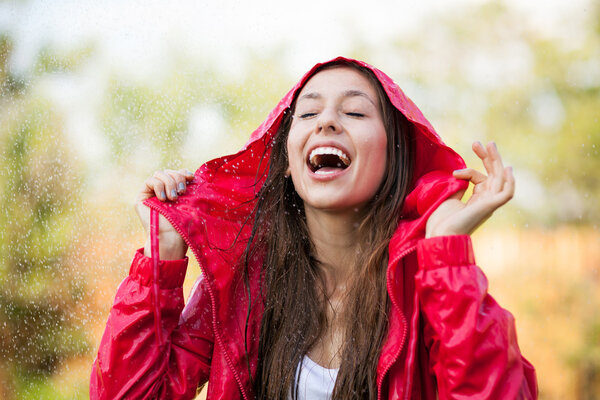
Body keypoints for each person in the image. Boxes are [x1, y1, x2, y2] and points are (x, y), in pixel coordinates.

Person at [90, 57, 538, 399]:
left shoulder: (429, 286)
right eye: (307, 114)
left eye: (356, 114)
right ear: (285, 163)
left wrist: (446, 252)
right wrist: (160, 259)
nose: (327, 121)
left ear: (395, 156)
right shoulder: (240, 280)